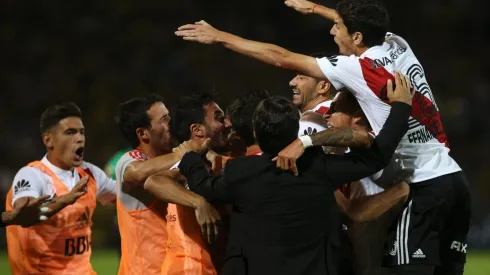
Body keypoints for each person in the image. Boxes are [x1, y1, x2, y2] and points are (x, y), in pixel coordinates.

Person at [175, 1, 471, 273]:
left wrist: (221, 37)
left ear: (356, 37)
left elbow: (281, 57)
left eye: (337, 26)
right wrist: (317, 9)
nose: (331, 30)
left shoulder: (356, 68)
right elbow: (366, 26)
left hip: (421, 184)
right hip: (453, 177)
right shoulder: (398, 44)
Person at [169, 75, 413, 275]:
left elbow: (203, 186)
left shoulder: (239, 172)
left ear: (256, 132)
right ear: (295, 130)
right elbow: (376, 156)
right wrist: (401, 107)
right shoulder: (319, 166)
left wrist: (190, 156)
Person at [6, 102, 117, 275]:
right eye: (70, 132)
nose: (79, 138)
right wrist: (63, 201)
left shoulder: (90, 173)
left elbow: (124, 196)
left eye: (82, 132)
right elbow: (24, 215)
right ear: (48, 140)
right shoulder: (32, 175)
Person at [115, 94, 220, 275]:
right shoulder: (132, 160)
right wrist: (184, 154)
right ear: (143, 133)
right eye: (164, 120)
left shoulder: (171, 163)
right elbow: (136, 173)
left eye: (169, 117)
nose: (171, 124)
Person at [145, 92, 228, 275]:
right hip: (189, 269)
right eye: (219, 118)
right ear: (198, 130)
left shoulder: (221, 161)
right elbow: (153, 181)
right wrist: (198, 202)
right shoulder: (185, 165)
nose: (226, 124)